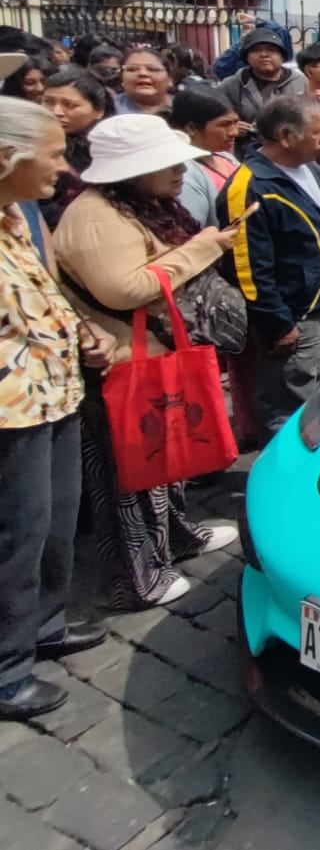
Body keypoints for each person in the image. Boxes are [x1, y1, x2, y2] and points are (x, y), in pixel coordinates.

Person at [53, 115, 241, 609]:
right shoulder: (95, 217)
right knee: (128, 478)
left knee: (165, 461)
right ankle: (135, 580)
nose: (181, 171)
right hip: (120, 366)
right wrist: (202, 248)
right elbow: (125, 287)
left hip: (153, 357)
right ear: (133, 171)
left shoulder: (138, 205)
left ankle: (174, 537)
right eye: (167, 164)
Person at [0, 97, 115, 720]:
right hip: (10, 414)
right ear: (6, 158)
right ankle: (7, 668)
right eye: (53, 154)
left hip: (54, 393)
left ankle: (44, 625)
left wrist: (83, 335)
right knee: (16, 535)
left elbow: (43, 293)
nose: (63, 167)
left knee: (54, 522)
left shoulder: (16, 217)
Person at [221, 96, 320, 436]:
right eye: (317, 132)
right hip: (296, 316)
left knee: (317, 395)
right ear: (285, 136)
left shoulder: (311, 169)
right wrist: (278, 323)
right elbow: (248, 267)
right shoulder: (250, 186)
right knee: (288, 406)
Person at [219, 28, 308, 158]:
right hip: (247, 156)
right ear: (246, 57)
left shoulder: (301, 81)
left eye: (271, 50)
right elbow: (214, 119)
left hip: (292, 154)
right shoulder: (232, 84)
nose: (264, 54)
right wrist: (231, 126)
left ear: (282, 56)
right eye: (256, 50)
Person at [40, 67, 109, 227]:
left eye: (69, 105)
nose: (56, 112)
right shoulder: (31, 144)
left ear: (98, 111)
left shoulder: (110, 147)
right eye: (48, 102)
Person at [169, 87, 241, 225]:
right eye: (224, 125)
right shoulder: (184, 174)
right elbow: (193, 230)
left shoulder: (225, 157)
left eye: (235, 123)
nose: (234, 132)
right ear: (191, 128)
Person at [112, 47, 175, 116]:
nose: (142, 73)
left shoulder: (183, 107)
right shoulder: (108, 110)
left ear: (170, 79)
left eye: (153, 69)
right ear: (121, 78)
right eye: (132, 69)